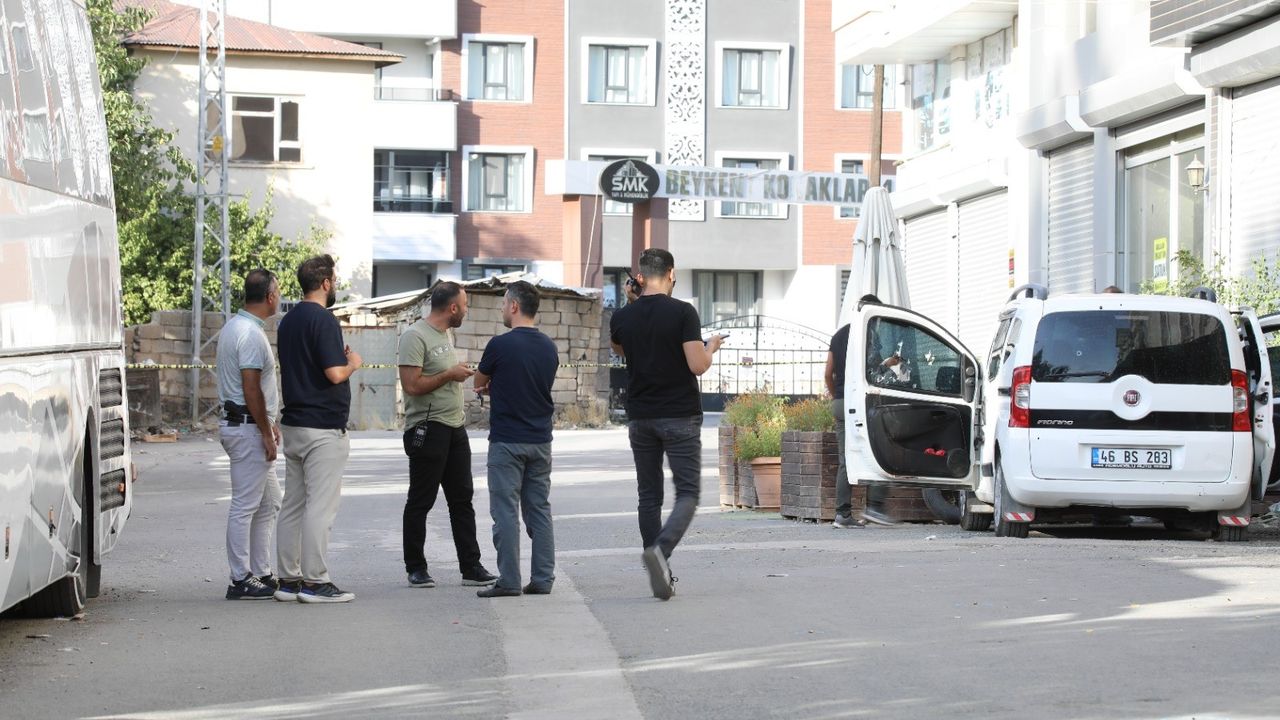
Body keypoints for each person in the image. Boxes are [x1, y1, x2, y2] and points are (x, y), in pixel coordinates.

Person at [609, 248, 724, 600]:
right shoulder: (683, 312)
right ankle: (660, 552)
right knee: (688, 493)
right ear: (671, 274)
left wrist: (632, 303)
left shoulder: (622, 317)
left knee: (649, 496)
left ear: (640, 277)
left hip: (641, 417)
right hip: (679, 415)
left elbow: (621, 349)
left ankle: (661, 572)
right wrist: (711, 346)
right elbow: (697, 365)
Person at [274, 254, 362, 604]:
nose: (335, 285)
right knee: (320, 508)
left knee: (292, 504)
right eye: (334, 280)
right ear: (325, 283)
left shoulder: (288, 320)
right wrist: (353, 362)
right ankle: (316, 582)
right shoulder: (324, 319)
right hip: (322, 427)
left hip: (295, 423)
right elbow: (335, 373)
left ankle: (288, 580)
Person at [397, 281, 496, 589]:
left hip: (455, 427)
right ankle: (416, 567)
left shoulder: (444, 334)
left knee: (462, 499)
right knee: (421, 500)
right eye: (464, 306)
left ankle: (471, 566)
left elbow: (438, 375)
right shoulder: (414, 336)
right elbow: (412, 385)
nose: (466, 311)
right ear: (452, 308)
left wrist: (456, 375)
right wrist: (450, 374)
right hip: (428, 428)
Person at [471, 281, 559, 598]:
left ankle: (509, 580)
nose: (502, 309)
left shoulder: (499, 345)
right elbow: (536, 384)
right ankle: (543, 578)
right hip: (540, 440)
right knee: (539, 510)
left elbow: (479, 381)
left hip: (507, 441)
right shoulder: (549, 347)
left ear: (513, 306)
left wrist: (493, 385)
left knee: (505, 512)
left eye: (503, 303)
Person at [216, 268, 283, 600]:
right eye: (279, 292)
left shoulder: (235, 327)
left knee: (269, 503)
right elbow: (251, 387)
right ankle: (240, 578)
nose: (280, 298)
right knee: (245, 505)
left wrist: (269, 424)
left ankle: (261, 572)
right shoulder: (251, 334)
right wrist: (266, 432)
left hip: (245, 425)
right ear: (270, 296)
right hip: (247, 429)